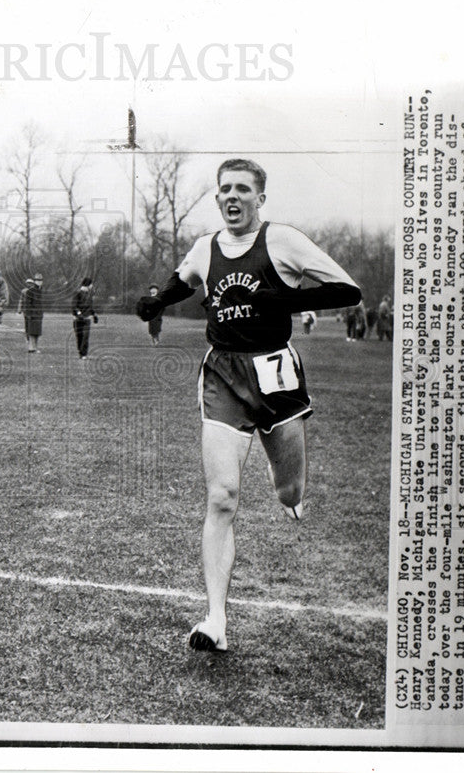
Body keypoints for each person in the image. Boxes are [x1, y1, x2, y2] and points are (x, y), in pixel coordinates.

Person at [135, 158, 361, 653]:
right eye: (224, 190)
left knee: (287, 490)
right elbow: (183, 278)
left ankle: (293, 495)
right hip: (223, 375)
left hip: (276, 374)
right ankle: (215, 620)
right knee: (221, 497)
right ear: (217, 199)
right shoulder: (206, 247)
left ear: (260, 198)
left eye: (243, 189)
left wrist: (283, 301)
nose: (232, 197)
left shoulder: (283, 241)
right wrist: (156, 303)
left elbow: (349, 289)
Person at [71, 276, 97, 360]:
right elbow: (73, 306)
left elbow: (90, 307)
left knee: (85, 336)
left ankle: (83, 354)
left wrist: (94, 314)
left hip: (86, 319)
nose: (92, 286)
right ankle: (80, 352)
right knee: (79, 336)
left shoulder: (89, 295)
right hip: (78, 319)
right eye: (91, 284)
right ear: (88, 285)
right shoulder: (77, 293)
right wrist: (78, 314)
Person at [20, 273, 45, 353]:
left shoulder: (40, 291)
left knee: (37, 332)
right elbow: (27, 304)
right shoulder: (30, 291)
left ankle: (35, 347)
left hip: (38, 314)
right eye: (37, 280)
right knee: (31, 332)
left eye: (40, 280)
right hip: (32, 314)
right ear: (34, 281)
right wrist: (28, 314)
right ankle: (31, 348)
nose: (39, 282)